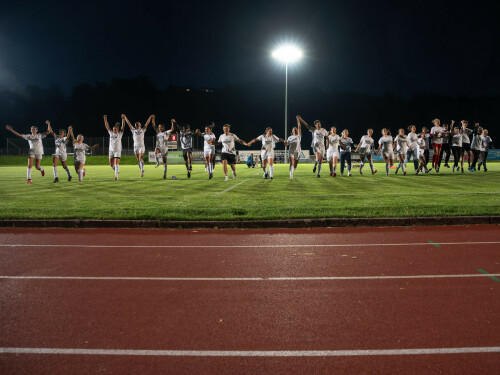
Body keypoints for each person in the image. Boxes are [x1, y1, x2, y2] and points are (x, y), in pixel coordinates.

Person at [104, 115, 125, 180]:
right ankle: (117, 171)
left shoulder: (119, 134)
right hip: (111, 151)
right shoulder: (111, 133)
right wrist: (105, 119)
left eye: (115, 129)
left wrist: (123, 119)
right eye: (113, 129)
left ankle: (116, 176)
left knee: (116, 163)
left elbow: (123, 126)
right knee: (111, 165)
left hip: (117, 150)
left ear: (117, 129)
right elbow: (107, 126)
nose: (113, 130)